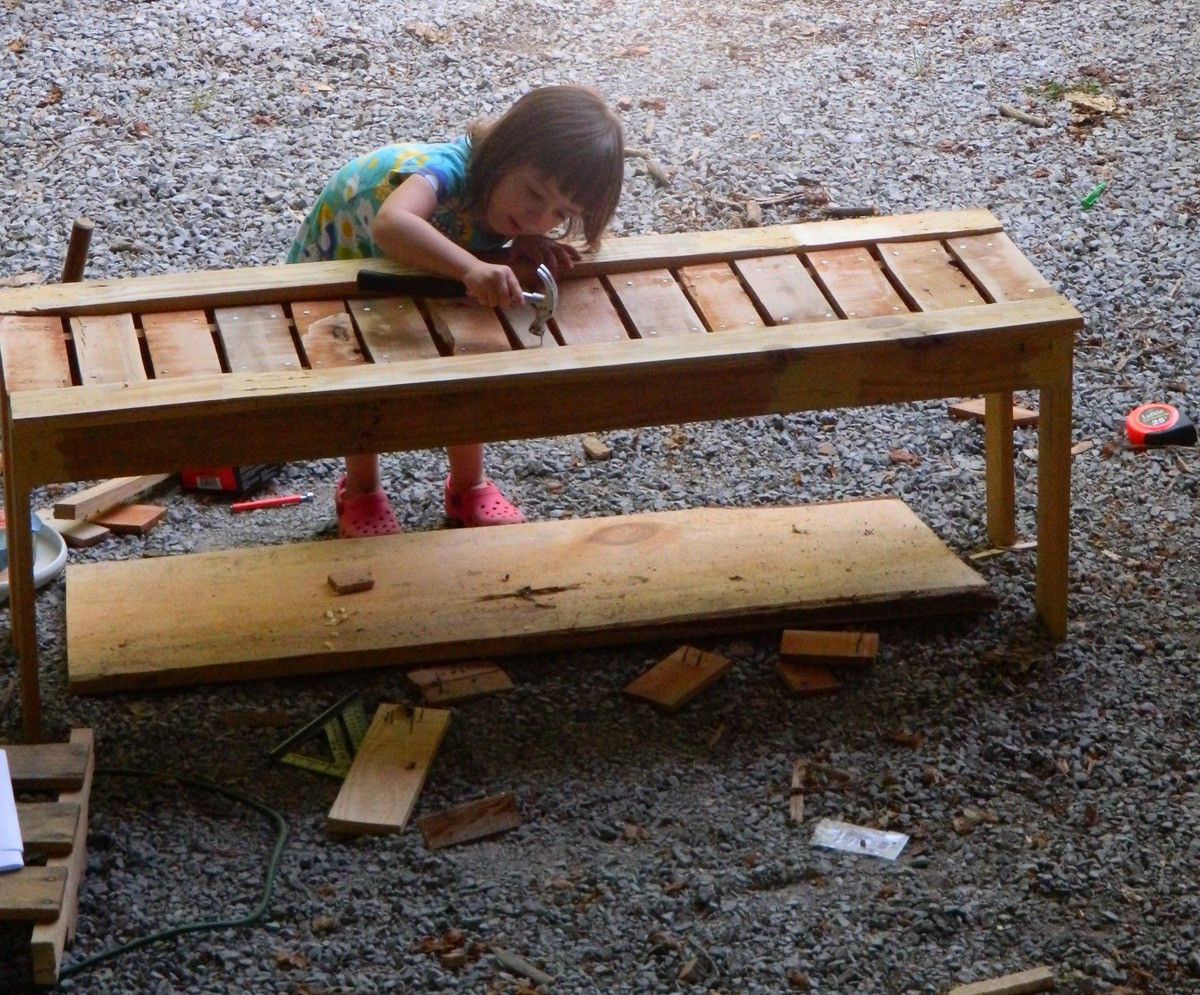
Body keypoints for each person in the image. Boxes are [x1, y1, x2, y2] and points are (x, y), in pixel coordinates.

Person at [287, 85, 625, 537]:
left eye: (560, 213)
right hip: (344, 267)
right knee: (361, 376)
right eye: (533, 193)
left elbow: (504, 229)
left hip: (411, 269)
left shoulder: (515, 205)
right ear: (503, 154)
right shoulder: (450, 169)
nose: (540, 216)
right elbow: (392, 225)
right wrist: (470, 267)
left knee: (465, 355)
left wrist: (525, 243)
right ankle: (362, 490)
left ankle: (468, 485)